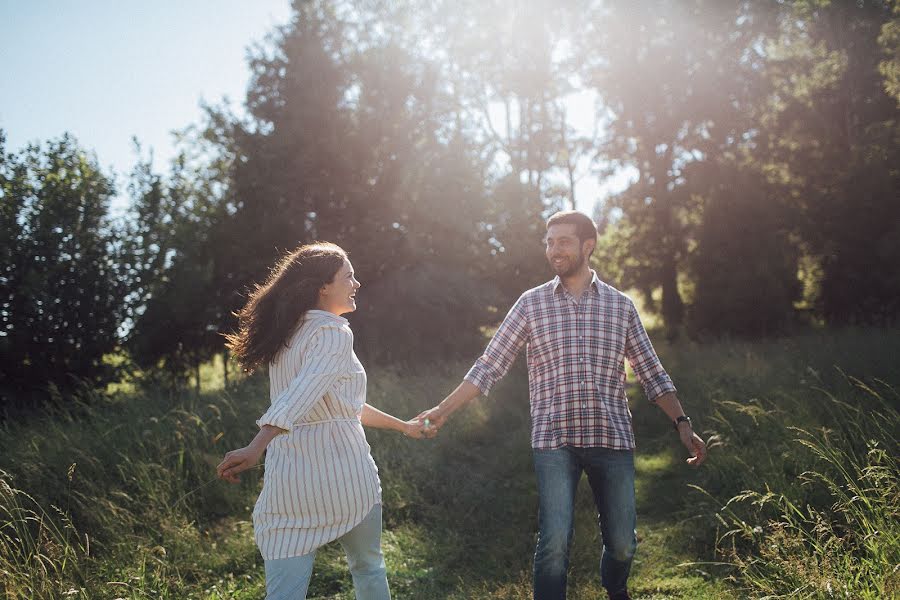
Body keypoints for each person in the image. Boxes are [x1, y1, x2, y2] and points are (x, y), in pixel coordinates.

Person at [417, 211, 708, 600]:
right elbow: (490, 365)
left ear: (588, 246)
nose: (554, 249)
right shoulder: (530, 304)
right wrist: (444, 409)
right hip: (554, 440)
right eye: (550, 241)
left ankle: (615, 588)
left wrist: (682, 423)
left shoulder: (621, 307)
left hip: (611, 438)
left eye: (564, 241)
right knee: (554, 544)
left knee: (623, 543)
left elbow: (652, 374)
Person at [216, 242, 430, 600]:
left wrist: (403, 426)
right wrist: (256, 446)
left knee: (284, 594)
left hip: (290, 483)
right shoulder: (334, 332)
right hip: (345, 477)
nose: (357, 283)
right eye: (348, 276)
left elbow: (342, 405)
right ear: (323, 287)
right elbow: (303, 393)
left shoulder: (286, 335)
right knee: (369, 568)